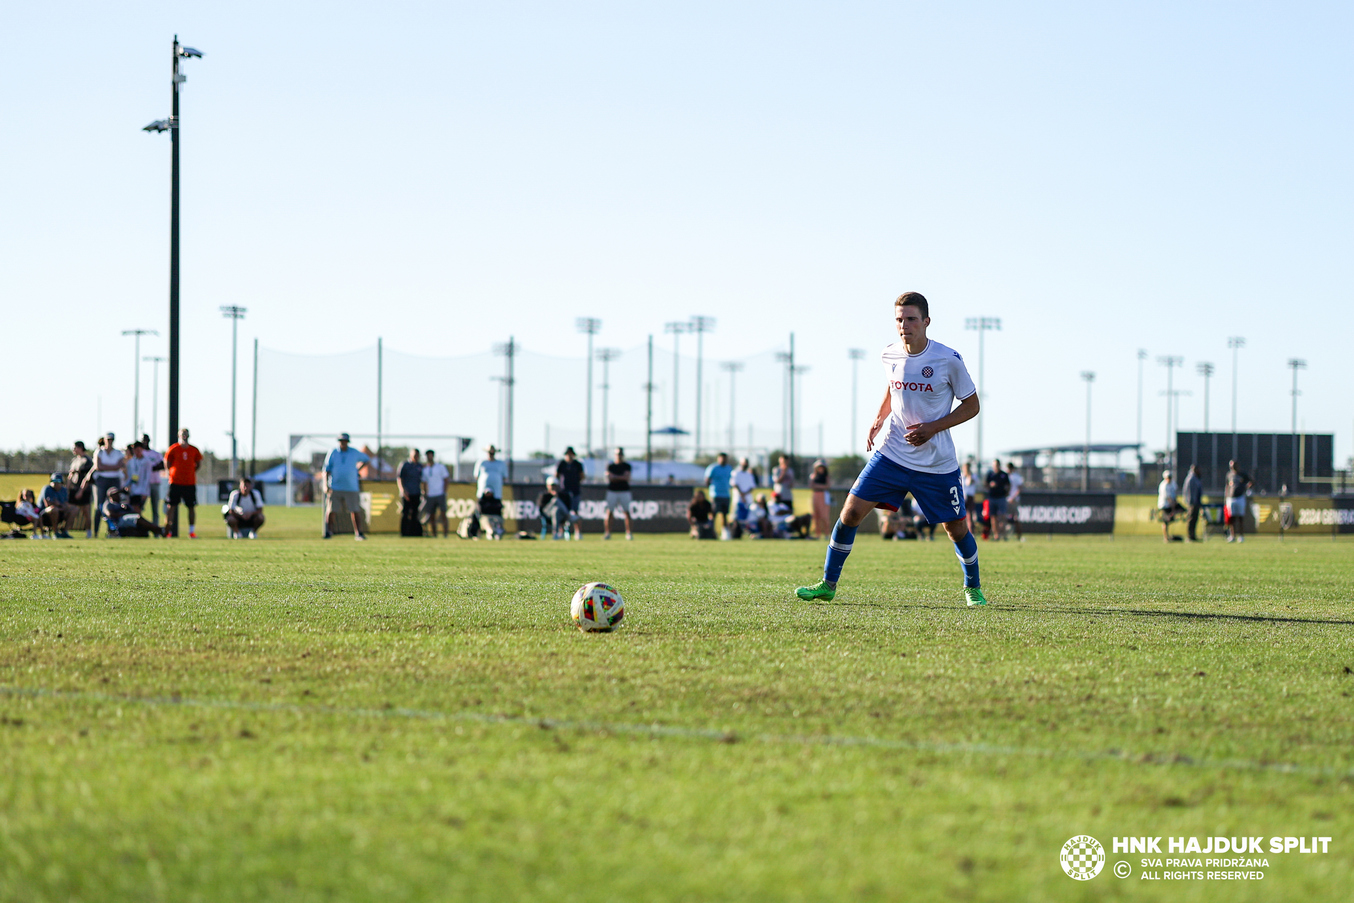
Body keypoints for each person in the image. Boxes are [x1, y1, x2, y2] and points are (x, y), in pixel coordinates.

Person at [796, 291, 987, 606]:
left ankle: (973, 588)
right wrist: (879, 417)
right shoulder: (889, 355)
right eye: (899, 319)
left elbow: (972, 405)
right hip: (892, 455)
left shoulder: (948, 359)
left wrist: (932, 428)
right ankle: (828, 585)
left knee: (955, 529)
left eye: (911, 319)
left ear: (926, 322)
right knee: (850, 513)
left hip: (936, 464)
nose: (904, 326)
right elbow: (893, 386)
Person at [323, 432, 369, 540]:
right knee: (331, 511)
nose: (343, 443)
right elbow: (326, 470)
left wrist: (357, 470)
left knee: (355, 510)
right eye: (341, 441)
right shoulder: (333, 452)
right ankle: (328, 532)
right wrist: (326, 485)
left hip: (351, 487)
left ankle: (358, 533)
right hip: (335, 486)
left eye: (345, 441)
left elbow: (366, 459)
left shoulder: (354, 452)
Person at [163, 428, 203, 538]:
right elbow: (167, 462)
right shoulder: (173, 449)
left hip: (189, 483)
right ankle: (168, 531)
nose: (184, 436)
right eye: (182, 434)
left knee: (191, 507)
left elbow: (198, 463)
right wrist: (172, 473)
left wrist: (190, 471)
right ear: (178, 435)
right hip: (175, 482)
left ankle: (191, 531)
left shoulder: (194, 449)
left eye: (186, 434)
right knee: (171, 506)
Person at [91, 433, 125, 538]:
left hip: (115, 479)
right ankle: (95, 533)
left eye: (112, 439)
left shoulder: (118, 453)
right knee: (99, 506)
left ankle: (113, 531)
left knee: (114, 506)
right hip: (101, 480)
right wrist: (112, 467)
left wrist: (105, 467)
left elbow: (119, 466)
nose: (110, 441)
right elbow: (98, 467)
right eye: (108, 439)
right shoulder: (99, 452)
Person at [554, 446, 585, 540]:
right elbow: (556, 475)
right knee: (563, 512)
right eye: (568, 454)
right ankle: (561, 532)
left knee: (575, 512)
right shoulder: (561, 464)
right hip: (564, 492)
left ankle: (577, 532)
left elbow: (582, 476)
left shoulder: (577, 464)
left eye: (571, 454)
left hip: (575, 491)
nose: (569, 456)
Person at [603, 447, 633, 540]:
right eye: (617, 454)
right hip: (612, 491)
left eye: (620, 454)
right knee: (609, 512)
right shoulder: (610, 466)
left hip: (624, 491)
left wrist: (616, 477)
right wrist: (620, 477)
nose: (619, 456)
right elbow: (610, 478)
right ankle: (607, 533)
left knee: (626, 512)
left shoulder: (626, 466)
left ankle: (629, 533)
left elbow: (626, 478)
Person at [421, 449, 451, 538]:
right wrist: (425, 493)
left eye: (430, 455)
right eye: (427, 455)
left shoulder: (440, 467)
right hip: (430, 495)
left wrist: (444, 491)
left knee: (443, 515)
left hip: (440, 494)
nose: (429, 457)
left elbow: (446, 479)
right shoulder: (425, 470)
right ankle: (434, 535)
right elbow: (424, 482)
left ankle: (445, 534)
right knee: (431, 516)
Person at [703, 452, 734, 537]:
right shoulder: (713, 468)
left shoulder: (729, 468)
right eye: (722, 458)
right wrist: (710, 488)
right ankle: (711, 531)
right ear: (718, 458)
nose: (724, 460)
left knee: (724, 515)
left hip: (726, 494)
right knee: (714, 514)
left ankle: (724, 533)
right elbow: (707, 479)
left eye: (725, 458)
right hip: (716, 494)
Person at [67, 442, 94, 537]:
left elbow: (87, 478)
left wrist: (81, 491)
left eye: (75, 448)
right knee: (70, 510)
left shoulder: (87, 461)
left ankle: (89, 532)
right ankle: (66, 531)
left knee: (86, 512)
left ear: (80, 448)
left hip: (84, 490)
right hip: (74, 489)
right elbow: (71, 475)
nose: (73, 450)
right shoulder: (74, 460)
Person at [396, 448, 424, 537]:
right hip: (407, 493)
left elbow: (423, 480)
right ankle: (404, 532)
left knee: (415, 513)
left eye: (417, 455)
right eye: (414, 455)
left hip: (416, 492)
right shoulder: (405, 465)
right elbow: (400, 478)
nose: (416, 457)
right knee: (405, 513)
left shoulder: (420, 466)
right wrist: (403, 490)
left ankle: (413, 533)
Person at [37, 474, 74, 539]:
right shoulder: (47, 488)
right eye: (53, 481)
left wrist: (58, 505)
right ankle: (55, 532)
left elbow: (65, 504)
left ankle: (65, 532)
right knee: (54, 509)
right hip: (44, 514)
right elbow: (47, 504)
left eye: (58, 481)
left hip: (59, 511)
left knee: (74, 509)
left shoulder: (63, 490)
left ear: (61, 483)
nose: (55, 483)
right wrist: (59, 505)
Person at [140, 434, 166, 524]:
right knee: (140, 508)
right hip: (143, 484)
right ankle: (140, 527)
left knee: (155, 508)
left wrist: (149, 467)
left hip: (154, 482)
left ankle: (156, 529)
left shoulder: (155, 454)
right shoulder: (140, 454)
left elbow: (162, 465)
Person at [1224, 460, 1251, 543]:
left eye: (1234, 465)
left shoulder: (1242, 474)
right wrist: (1226, 496)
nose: (1233, 467)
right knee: (1231, 518)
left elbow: (1251, 481)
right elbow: (1227, 486)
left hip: (1240, 497)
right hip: (1231, 498)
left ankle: (1241, 536)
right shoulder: (1229, 474)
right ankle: (1233, 535)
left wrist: (1245, 487)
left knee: (1240, 518)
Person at [984, 459, 1010, 541]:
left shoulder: (1004, 475)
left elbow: (1008, 485)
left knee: (1002, 516)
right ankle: (996, 535)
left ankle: (1004, 534)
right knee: (993, 517)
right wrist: (990, 486)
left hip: (1001, 497)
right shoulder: (990, 474)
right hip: (992, 498)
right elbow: (985, 484)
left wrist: (1007, 493)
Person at [124, 442, 153, 513]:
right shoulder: (131, 462)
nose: (138, 452)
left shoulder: (146, 461)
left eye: (139, 450)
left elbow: (147, 477)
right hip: (133, 489)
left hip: (142, 489)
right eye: (136, 450)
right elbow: (130, 476)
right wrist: (127, 486)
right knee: (132, 509)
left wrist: (145, 491)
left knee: (138, 509)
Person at [731, 457, 757, 535]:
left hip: (748, 499)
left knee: (748, 518)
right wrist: (742, 495)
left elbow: (752, 486)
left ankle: (747, 533)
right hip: (738, 499)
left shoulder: (749, 474)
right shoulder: (736, 473)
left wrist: (745, 495)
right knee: (736, 517)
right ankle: (735, 533)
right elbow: (734, 484)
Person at [808, 459, 831, 539]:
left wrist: (818, 486)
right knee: (816, 515)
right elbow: (812, 486)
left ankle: (827, 533)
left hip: (823, 495)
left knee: (824, 516)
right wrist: (820, 486)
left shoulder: (826, 477)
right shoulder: (813, 476)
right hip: (815, 495)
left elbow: (827, 486)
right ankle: (817, 534)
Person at [1182, 464, 1203, 541]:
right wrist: (1192, 503)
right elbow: (1190, 493)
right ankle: (1189, 536)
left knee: (1195, 519)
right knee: (1191, 519)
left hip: (1196, 502)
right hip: (1192, 503)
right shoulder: (1191, 479)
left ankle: (1193, 535)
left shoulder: (1196, 478)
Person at [1157, 469, 1180, 542]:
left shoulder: (1172, 483)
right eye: (1168, 477)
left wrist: (1175, 501)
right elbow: (1167, 497)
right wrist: (1173, 503)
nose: (1169, 479)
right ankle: (1165, 538)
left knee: (1170, 520)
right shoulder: (1163, 485)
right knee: (1165, 521)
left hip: (1171, 504)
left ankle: (1168, 536)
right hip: (1165, 505)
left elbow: (1175, 492)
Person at [1005, 462, 1024, 541]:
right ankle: (1004, 535)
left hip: (1014, 500)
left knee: (1016, 518)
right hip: (1006, 500)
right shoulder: (1005, 476)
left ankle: (1019, 536)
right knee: (1004, 518)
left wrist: (1012, 498)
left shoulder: (1017, 477)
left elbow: (1019, 489)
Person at [961, 461, 980, 536]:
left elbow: (969, 483)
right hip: (962, 497)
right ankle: (962, 532)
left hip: (970, 497)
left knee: (970, 516)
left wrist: (969, 475)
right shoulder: (961, 476)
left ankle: (971, 532)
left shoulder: (973, 476)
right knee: (962, 517)